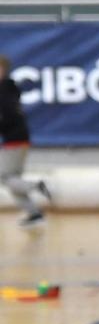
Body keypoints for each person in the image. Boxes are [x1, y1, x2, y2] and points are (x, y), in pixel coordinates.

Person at [0, 55, 50, 227]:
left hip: (14, 139)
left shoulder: (4, 91)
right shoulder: (9, 89)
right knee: (13, 180)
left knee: (4, 177)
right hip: (16, 138)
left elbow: (8, 116)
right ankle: (34, 214)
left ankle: (35, 186)